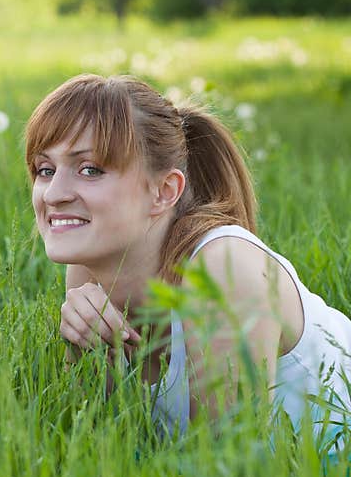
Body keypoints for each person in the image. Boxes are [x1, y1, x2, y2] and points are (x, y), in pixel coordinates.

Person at [25, 73, 351, 452]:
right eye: (45, 169)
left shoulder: (222, 268)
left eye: (90, 170)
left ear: (164, 192)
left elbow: (228, 469)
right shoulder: (88, 267)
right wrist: (81, 349)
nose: (55, 194)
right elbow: (96, 444)